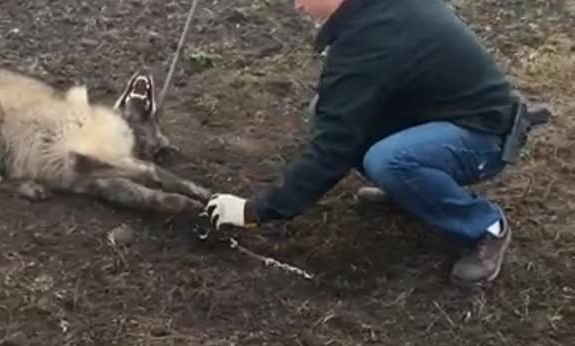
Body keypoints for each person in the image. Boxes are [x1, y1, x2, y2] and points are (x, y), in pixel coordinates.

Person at [205, 0, 529, 288]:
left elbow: (334, 144)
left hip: (484, 135)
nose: (296, 6)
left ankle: (485, 226)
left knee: (390, 160)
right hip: (441, 115)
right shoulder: (372, 14)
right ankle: (411, 189)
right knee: (329, 109)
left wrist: (257, 210)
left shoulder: (370, 37)